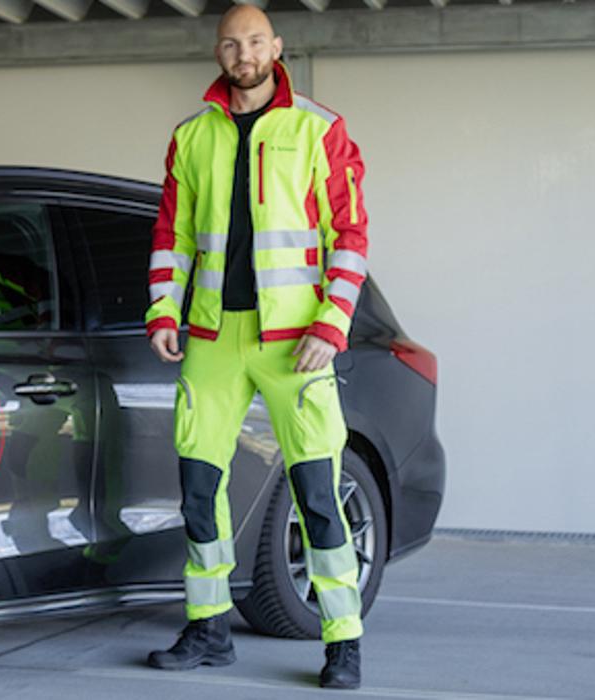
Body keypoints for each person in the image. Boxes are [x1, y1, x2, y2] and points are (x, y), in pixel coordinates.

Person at [142, 5, 371, 691]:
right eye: (229, 43)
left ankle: (342, 640)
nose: (241, 53)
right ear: (217, 51)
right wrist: (163, 309)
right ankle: (208, 627)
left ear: (276, 46)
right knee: (198, 489)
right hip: (213, 337)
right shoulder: (191, 137)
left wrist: (330, 326)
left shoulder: (317, 128)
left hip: (295, 343)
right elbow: (171, 236)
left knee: (317, 492)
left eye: (253, 41)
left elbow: (349, 236)